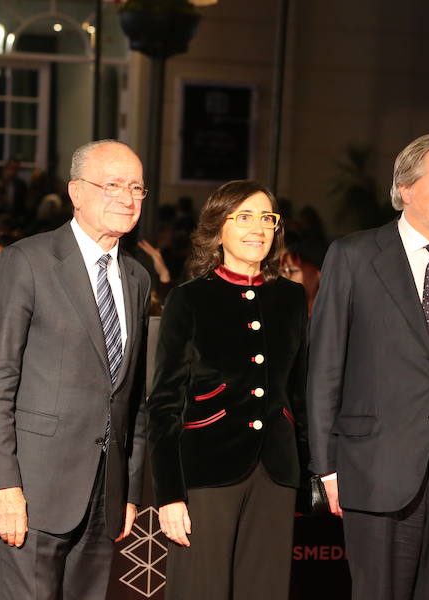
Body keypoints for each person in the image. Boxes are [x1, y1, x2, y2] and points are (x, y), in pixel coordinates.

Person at [307, 134, 429, 600]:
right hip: (375, 468)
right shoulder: (354, 256)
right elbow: (325, 369)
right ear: (405, 188)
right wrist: (328, 469)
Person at [0, 140, 151, 600]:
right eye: (112, 185)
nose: (127, 198)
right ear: (76, 192)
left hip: (104, 498)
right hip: (32, 492)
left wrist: (127, 489)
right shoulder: (25, 262)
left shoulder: (137, 277)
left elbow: (133, 397)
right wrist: (2, 486)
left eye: (136, 188)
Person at [148, 180, 308, 600]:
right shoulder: (190, 300)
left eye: (267, 218)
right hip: (206, 471)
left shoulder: (291, 299)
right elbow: (164, 403)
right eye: (245, 217)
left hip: (275, 472)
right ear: (218, 228)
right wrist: (169, 495)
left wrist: (309, 466)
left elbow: (300, 392)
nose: (259, 228)